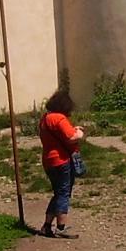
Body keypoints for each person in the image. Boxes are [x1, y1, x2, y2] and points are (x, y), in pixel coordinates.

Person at [39, 89, 85, 238]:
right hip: (61, 160)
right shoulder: (59, 118)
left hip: (48, 160)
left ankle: (47, 226)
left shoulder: (45, 118)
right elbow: (71, 137)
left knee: (58, 193)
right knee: (64, 193)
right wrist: (79, 133)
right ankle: (61, 227)